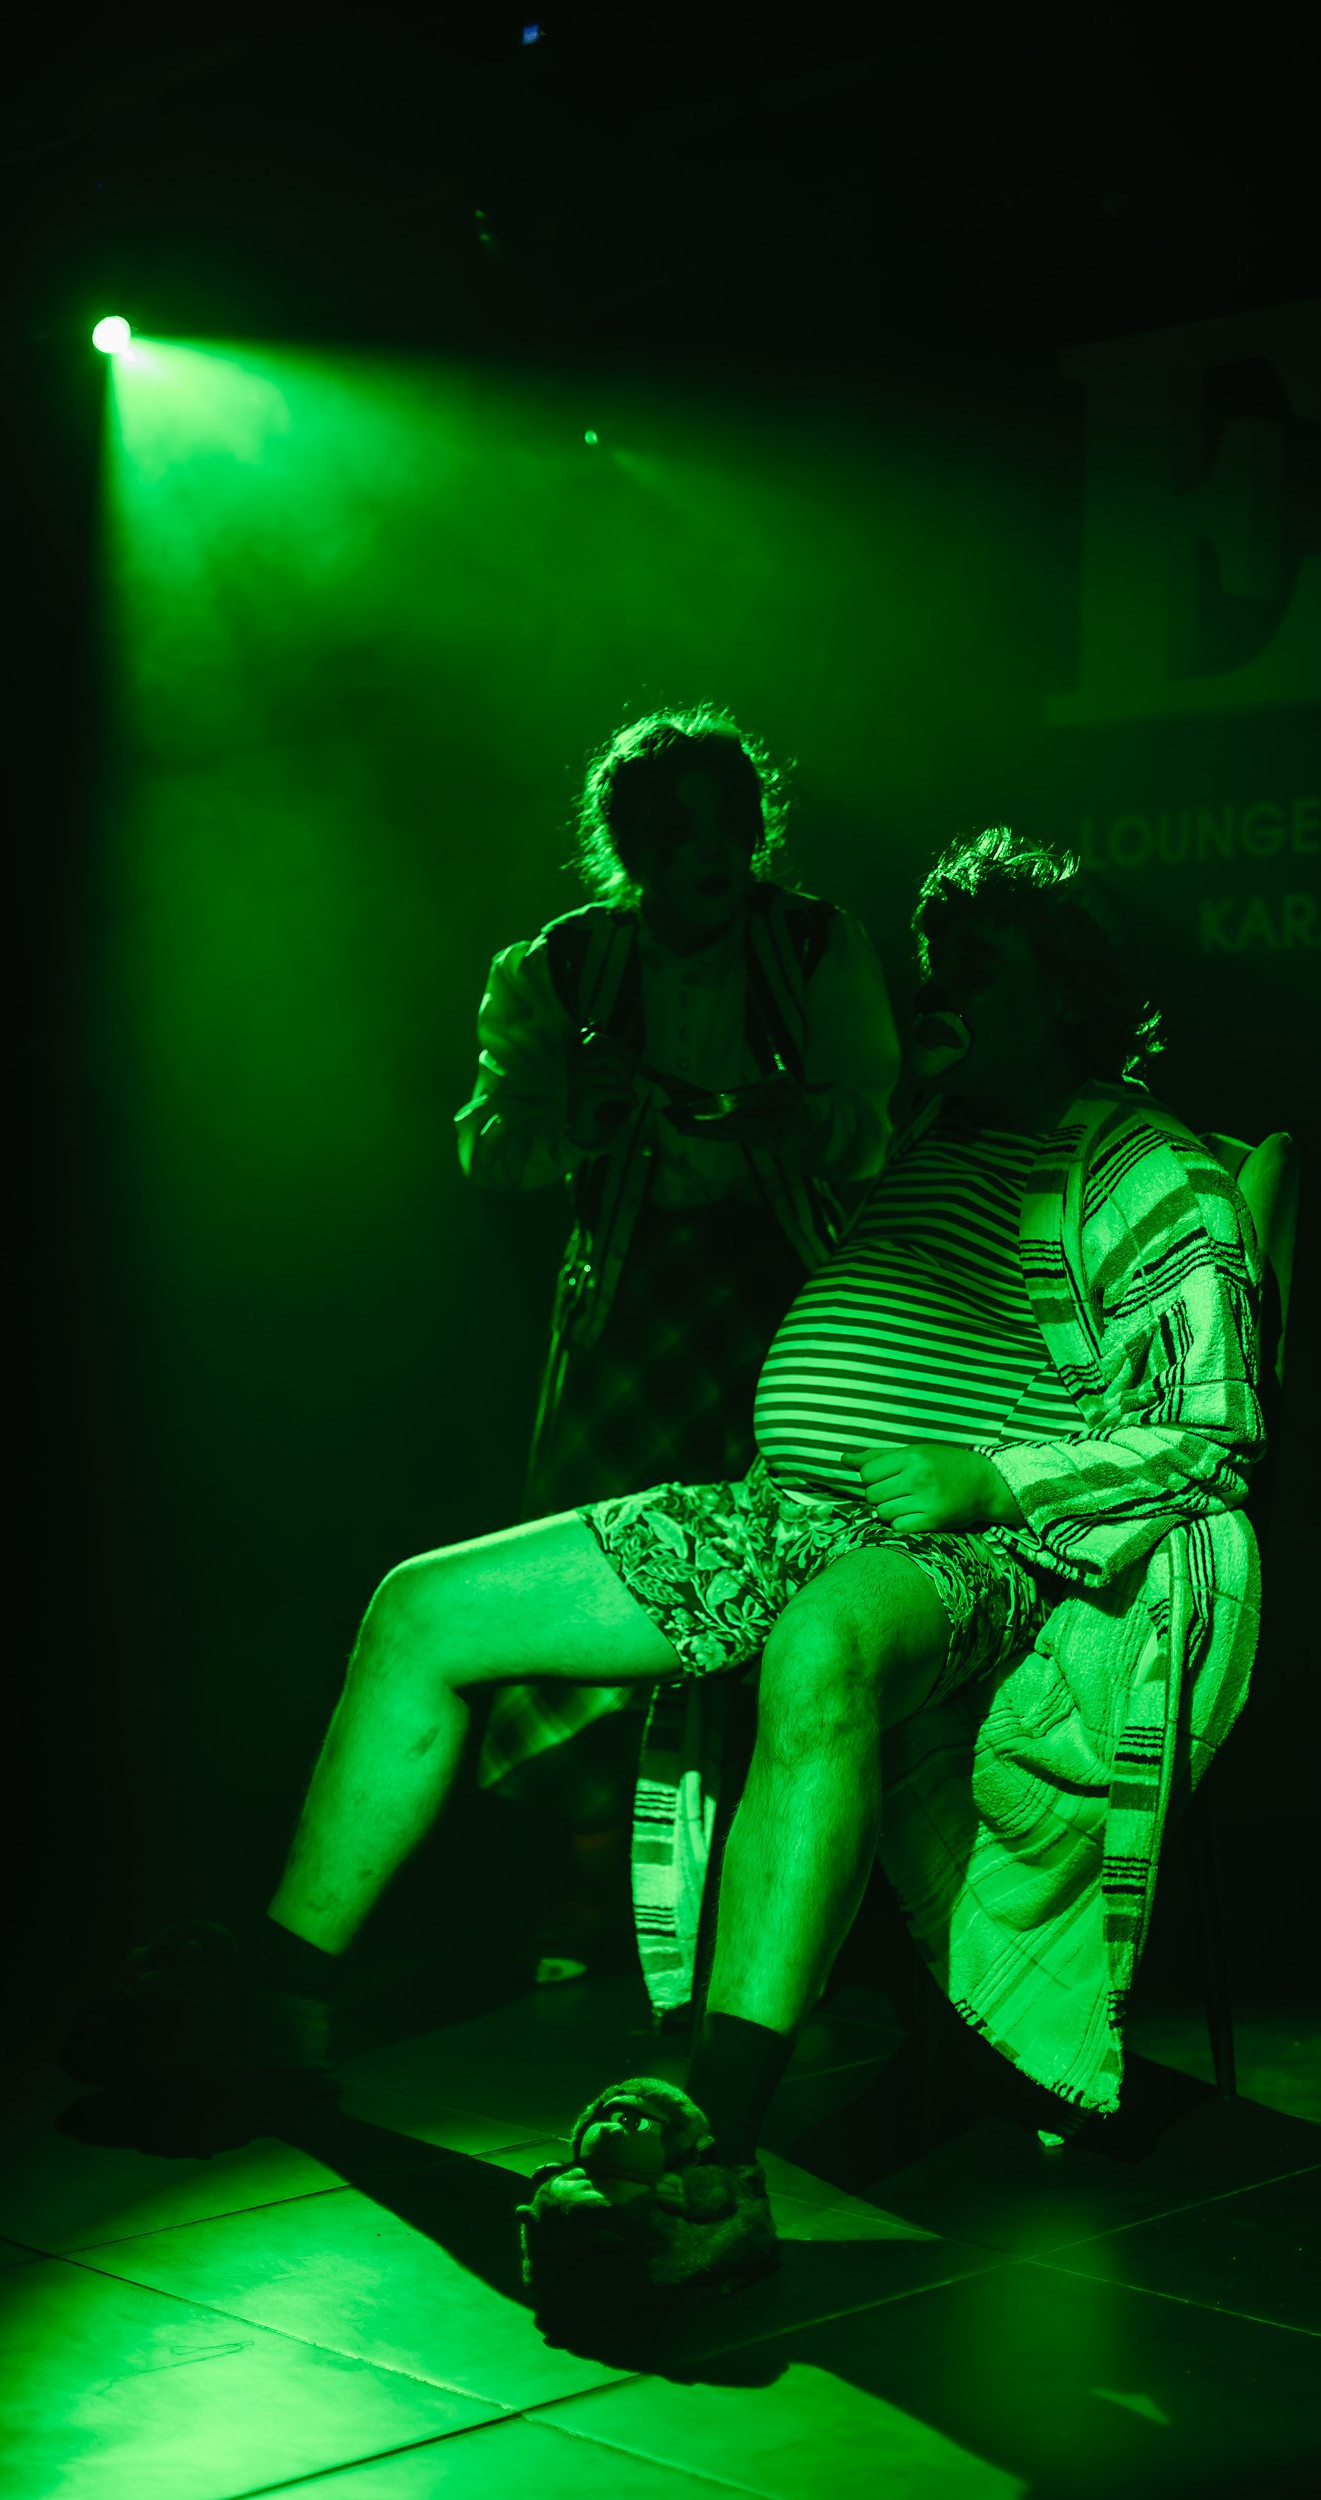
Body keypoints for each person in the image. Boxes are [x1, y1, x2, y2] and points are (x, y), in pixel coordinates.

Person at [64, 829, 1265, 2322]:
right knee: (421, 1605)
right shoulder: (921, 1137)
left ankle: (710, 2148)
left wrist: (988, 1480)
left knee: (821, 1644)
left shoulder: (1147, 1164)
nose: (939, 989)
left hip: (975, 1553)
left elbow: (1210, 1433)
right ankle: (277, 2008)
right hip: (781, 1514)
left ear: (1069, 993)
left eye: (978, 967)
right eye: (933, 963)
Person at [452, 708, 900, 1980]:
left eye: (728, 825)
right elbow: (489, 1144)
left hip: (782, 1303)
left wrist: (792, 1122)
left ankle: (775, 1889)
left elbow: (876, 1127)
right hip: (632, 1310)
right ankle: (599, 1887)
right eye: (678, 829)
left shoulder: (812, 944)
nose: (711, 851)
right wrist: (576, 1125)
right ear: (631, 845)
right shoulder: (561, 964)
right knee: (598, 1582)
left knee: (779, 1591)